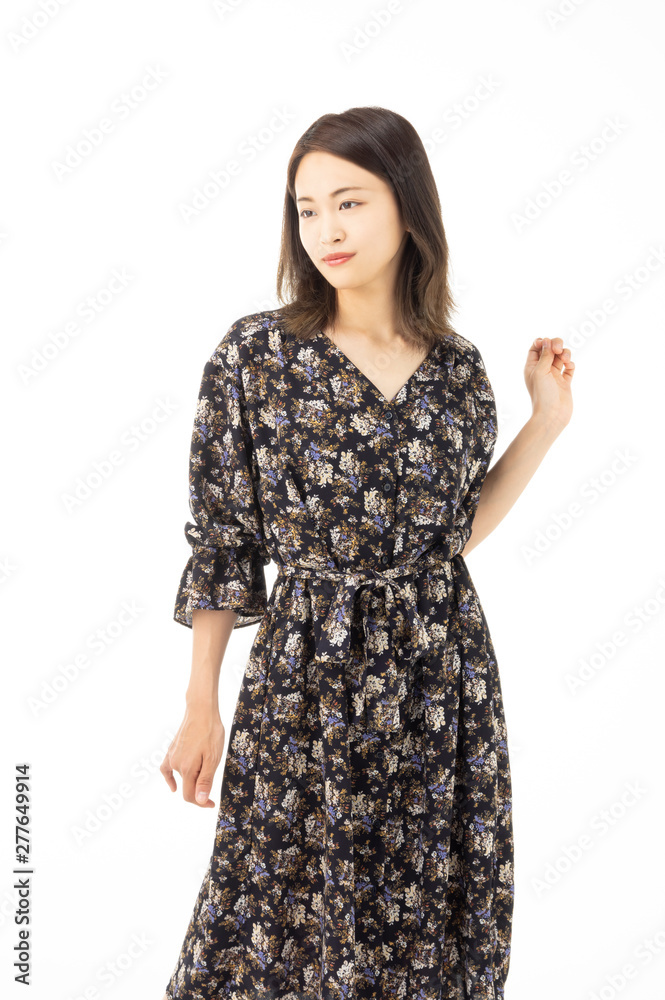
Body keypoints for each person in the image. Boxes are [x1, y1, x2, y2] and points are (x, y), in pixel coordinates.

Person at [160, 106, 574, 1000]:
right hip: (305, 679)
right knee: (276, 915)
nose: (325, 230)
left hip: (440, 682)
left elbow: (448, 537)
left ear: (407, 205)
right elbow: (225, 541)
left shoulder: (457, 369)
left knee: (423, 918)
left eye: (348, 202)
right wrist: (200, 704)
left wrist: (545, 423)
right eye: (307, 209)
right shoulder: (256, 356)